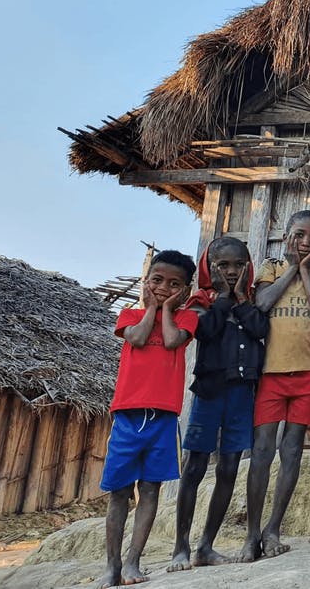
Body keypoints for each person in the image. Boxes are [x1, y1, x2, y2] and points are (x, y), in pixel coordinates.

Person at [97, 250, 198, 589]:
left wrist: (166, 309)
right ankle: (112, 565)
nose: (164, 288)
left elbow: (171, 341)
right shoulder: (130, 315)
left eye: (174, 284)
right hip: (127, 416)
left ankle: (133, 561)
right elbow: (138, 338)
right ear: (146, 282)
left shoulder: (186, 319)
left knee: (151, 488)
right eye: (157, 281)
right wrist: (152, 308)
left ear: (186, 290)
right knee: (119, 492)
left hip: (163, 418)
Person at [170, 237, 269, 571]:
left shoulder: (252, 301)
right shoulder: (201, 301)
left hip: (242, 395)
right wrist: (225, 298)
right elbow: (207, 331)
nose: (231, 271)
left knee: (229, 468)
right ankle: (181, 546)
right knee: (195, 466)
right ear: (208, 267)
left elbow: (259, 329)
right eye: (223, 265)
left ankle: (206, 546)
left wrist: (239, 299)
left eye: (239, 265)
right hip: (209, 393)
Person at [240, 211, 310, 562]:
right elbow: (263, 303)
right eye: (299, 235)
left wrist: (305, 270)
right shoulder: (271, 268)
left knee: (292, 450)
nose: (306, 242)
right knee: (263, 452)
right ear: (285, 238)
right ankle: (252, 533)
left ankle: (273, 529)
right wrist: (293, 267)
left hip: (307, 373)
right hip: (271, 372)